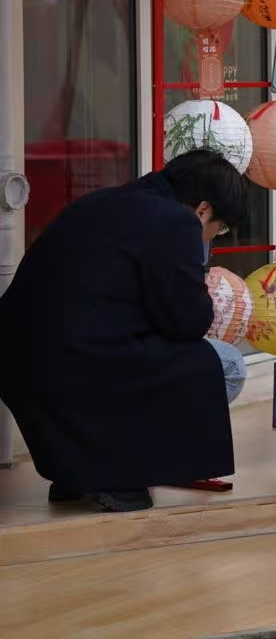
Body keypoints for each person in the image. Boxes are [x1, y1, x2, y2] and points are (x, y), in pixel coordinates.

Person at [0, 148, 246, 512]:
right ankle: (118, 475)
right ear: (204, 210)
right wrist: (201, 282)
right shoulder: (177, 222)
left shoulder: (104, 201)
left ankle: (79, 472)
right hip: (74, 364)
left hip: (16, 358)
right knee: (228, 365)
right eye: (219, 229)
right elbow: (188, 322)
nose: (212, 237)